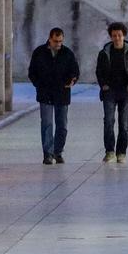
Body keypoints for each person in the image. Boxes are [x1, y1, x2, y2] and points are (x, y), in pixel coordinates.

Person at [28, 26, 80, 164]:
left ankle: (58, 152)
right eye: (56, 41)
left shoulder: (67, 53)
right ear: (50, 39)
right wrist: (38, 84)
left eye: (60, 41)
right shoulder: (39, 52)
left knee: (62, 125)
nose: (58, 44)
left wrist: (73, 80)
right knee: (47, 124)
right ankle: (48, 154)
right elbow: (32, 71)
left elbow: (75, 70)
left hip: (62, 93)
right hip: (45, 93)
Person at [96, 21, 128, 164]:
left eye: (119, 35)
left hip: (125, 91)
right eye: (114, 35)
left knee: (124, 124)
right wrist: (103, 85)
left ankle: (121, 152)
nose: (117, 38)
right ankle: (109, 152)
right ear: (111, 37)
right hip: (109, 91)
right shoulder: (104, 53)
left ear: (124, 36)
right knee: (108, 121)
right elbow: (99, 71)